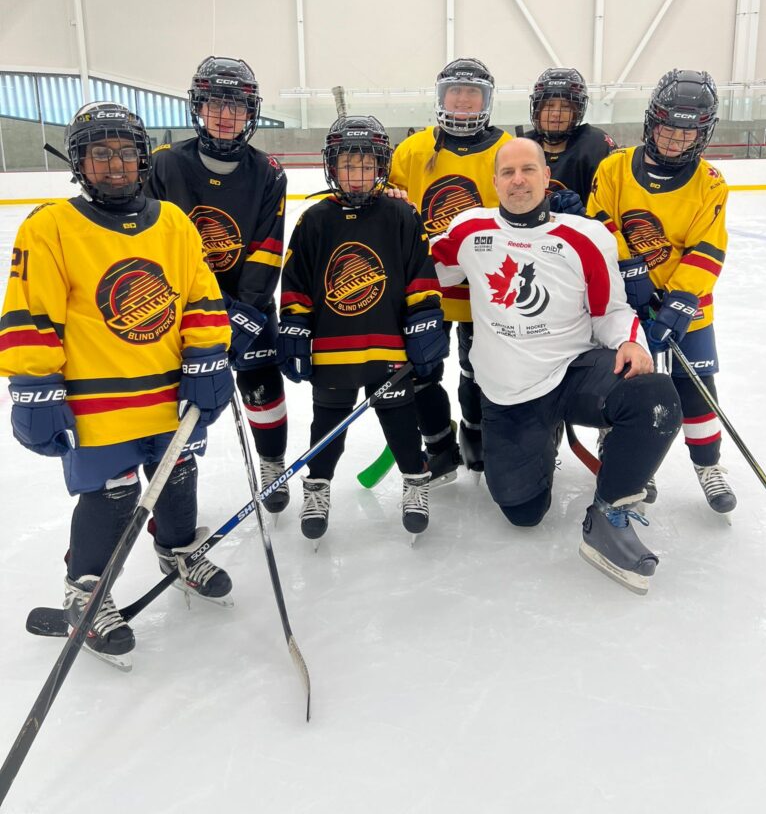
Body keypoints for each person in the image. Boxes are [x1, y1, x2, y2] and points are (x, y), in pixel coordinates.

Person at [0, 103, 234, 664]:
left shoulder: (174, 223)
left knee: (178, 478)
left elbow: (201, 298)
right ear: (79, 162)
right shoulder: (51, 226)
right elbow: (32, 315)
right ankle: (85, 591)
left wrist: (208, 359)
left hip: (168, 394)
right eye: (99, 153)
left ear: (142, 159)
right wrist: (34, 390)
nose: (114, 164)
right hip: (95, 402)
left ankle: (177, 552)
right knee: (111, 497)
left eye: (125, 152)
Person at [431, 137, 682, 594]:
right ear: (495, 183)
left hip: (573, 372)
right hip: (510, 393)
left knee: (654, 397)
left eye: (528, 170)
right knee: (522, 513)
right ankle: (542, 435)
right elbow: (421, 270)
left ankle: (609, 515)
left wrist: (631, 343)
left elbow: (611, 310)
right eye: (507, 173)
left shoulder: (585, 236)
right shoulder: (469, 231)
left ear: (547, 177)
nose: (518, 180)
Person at [277, 115, 448, 540]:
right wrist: (295, 326)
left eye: (366, 165)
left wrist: (425, 321)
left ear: (381, 168)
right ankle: (317, 488)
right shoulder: (314, 219)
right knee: (326, 424)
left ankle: (414, 480)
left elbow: (420, 276)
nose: (357, 175)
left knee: (401, 422)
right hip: (333, 348)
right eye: (348, 165)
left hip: (388, 347)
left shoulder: (400, 216)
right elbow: (296, 282)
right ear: (332, 168)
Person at [145, 57, 289, 514]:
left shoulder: (269, 171)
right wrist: (208, 308)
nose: (226, 116)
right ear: (199, 107)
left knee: (261, 383)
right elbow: (152, 245)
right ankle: (174, 489)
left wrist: (244, 309)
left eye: (237, 106)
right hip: (182, 306)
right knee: (177, 394)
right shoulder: (165, 165)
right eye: (215, 104)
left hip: (251, 303)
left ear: (251, 113)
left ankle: (272, 462)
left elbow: (268, 247)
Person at [587, 69, 734, 516]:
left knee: (696, 389)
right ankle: (632, 462)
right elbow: (599, 224)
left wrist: (682, 298)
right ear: (653, 123)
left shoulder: (710, 182)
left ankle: (708, 466)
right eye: (668, 130)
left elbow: (708, 246)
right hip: (623, 304)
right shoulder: (614, 167)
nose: (674, 142)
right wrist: (630, 270)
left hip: (686, 309)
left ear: (702, 133)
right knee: (627, 385)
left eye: (686, 134)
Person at [389, 58, 514, 477]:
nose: (462, 101)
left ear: (487, 100)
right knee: (421, 367)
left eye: (472, 93)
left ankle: (475, 434)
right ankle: (438, 441)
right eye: (455, 93)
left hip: (487, 288)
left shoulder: (505, 151)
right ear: (441, 98)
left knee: (479, 369)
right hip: (429, 286)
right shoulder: (412, 150)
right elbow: (393, 212)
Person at [525, 67, 615, 213]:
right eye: (549, 105)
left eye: (566, 107)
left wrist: (588, 217)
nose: (556, 114)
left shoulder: (596, 145)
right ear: (537, 109)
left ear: (577, 112)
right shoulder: (523, 146)